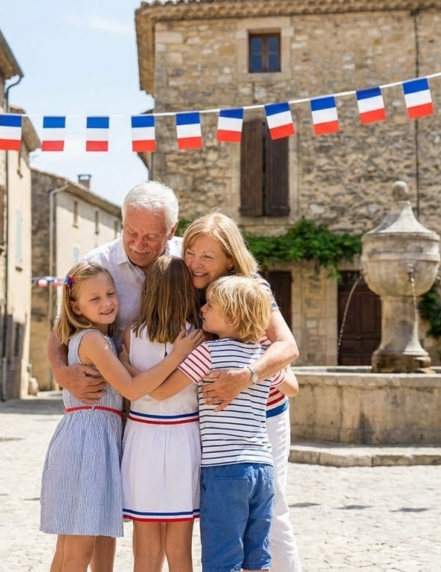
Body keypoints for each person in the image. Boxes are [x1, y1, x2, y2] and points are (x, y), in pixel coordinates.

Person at [46, 181, 182, 571]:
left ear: (170, 232)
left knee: (104, 534)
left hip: (128, 428)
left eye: (150, 236)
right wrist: (63, 374)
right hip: (95, 426)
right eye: (131, 232)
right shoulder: (97, 265)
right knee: (78, 541)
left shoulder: (187, 260)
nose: (138, 243)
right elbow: (58, 337)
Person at [41, 261, 203, 572]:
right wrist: (178, 355)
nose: (107, 303)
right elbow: (131, 389)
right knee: (79, 546)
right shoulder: (95, 341)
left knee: (71, 545)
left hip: (90, 436)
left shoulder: (107, 340)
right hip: (89, 440)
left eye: (110, 294)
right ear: (74, 307)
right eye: (95, 299)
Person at [182, 212, 304, 572]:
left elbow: (287, 347)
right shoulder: (185, 283)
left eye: (207, 256)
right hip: (217, 422)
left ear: (230, 259)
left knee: (272, 514)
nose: (195, 262)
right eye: (191, 251)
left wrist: (246, 376)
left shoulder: (252, 288)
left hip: (263, 414)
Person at [156, 275, 297, 572]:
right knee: (257, 558)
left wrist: (129, 366)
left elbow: (161, 391)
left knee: (223, 558)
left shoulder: (208, 353)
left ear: (232, 315)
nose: (202, 309)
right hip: (262, 468)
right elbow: (292, 387)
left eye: (210, 305)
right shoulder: (261, 357)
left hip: (224, 469)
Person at [119, 256, 203, 572]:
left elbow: (146, 391)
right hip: (184, 437)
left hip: (142, 437)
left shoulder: (130, 335)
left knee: (145, 549)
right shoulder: (199, 337)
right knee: (180, 550)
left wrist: (127, 368)